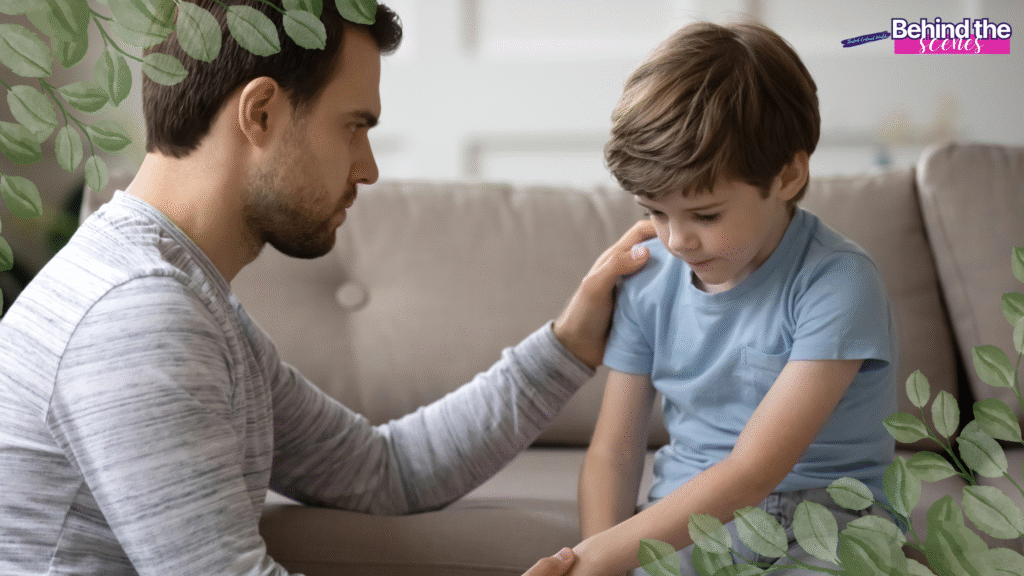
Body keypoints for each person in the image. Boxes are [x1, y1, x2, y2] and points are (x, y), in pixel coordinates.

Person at [0, 2, 655, 574]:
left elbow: (385, 470)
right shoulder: (139, 316)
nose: (367, 168)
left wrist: (568, 344)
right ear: (260, 112)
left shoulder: (187, 293)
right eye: (354, 126)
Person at [572, 22, 897, 576]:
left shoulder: (839, 282)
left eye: (705, 214)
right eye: (653, 210)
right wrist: (601, 558)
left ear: (788, 175)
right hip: (687, 524)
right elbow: (614, 452)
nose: (677, 240)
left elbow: (754, 471)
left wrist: (602, 555)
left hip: (828, 526)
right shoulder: (649, 280)